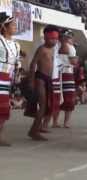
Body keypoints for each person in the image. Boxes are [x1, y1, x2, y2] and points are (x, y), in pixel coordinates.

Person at [28, 25, 60, 141]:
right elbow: (33, 64)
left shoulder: (53, 49)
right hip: (40, 78)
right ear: (46, 38)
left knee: (46, 106)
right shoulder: (42, 49)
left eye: (56, 39)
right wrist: (31, 81)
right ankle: (34, 131)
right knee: (42, 106)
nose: (54, 41)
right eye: (52, 38)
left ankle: (34, 130)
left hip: (48, 79)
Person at [0, 12, 20, 146]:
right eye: (12, 25)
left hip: (8, 78)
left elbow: (17, 63)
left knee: (4, 108)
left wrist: (16, 77)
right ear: (4, 27)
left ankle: (0, 136)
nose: (15, 27)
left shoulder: (16, 45)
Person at [57, 29, 78, 128]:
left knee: (57, 97)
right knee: (69, 98)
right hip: (67, 73)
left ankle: (54, 121)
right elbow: (74, 62)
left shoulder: (56, 45)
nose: (72, 39)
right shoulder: (71, 47)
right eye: (70, 37)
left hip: (57, 73)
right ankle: (66, 122)